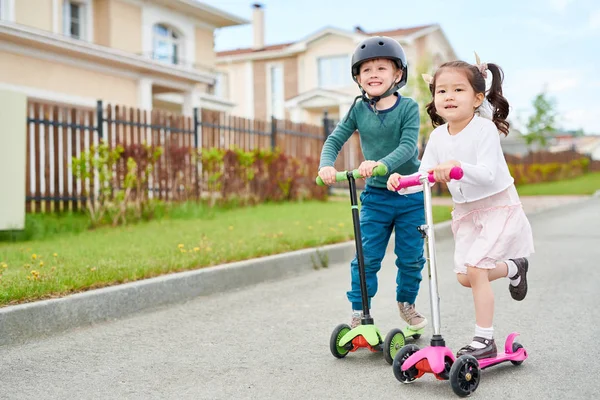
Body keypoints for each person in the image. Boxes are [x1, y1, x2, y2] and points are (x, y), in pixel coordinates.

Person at [387, 56, 534, 359]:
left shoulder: (484, 130)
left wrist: (457, 168)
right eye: (442, 91)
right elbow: (424, 176)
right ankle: (513, 268)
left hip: (496, 207)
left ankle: (484, 338)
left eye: (458, 90)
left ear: (477, 98)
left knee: (477, 269)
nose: (449, 96)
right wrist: (403, 181)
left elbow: (488, 174)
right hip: (466, 212)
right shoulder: (438, 136)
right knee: (464, 276)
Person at [318, 36, 428, 331]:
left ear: (397, 74)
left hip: (409, 195)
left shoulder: (408, 108)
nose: (374, 74)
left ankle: (407, 304)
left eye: (382, 68)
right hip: (377, 198)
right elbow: (335, 139)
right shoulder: (357, 110)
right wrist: (326, 165)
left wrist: (381, 165)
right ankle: (360, 311)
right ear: (358, 78)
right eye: (366, 70)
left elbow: (408, 147)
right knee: (366, 257)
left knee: (410, 258)